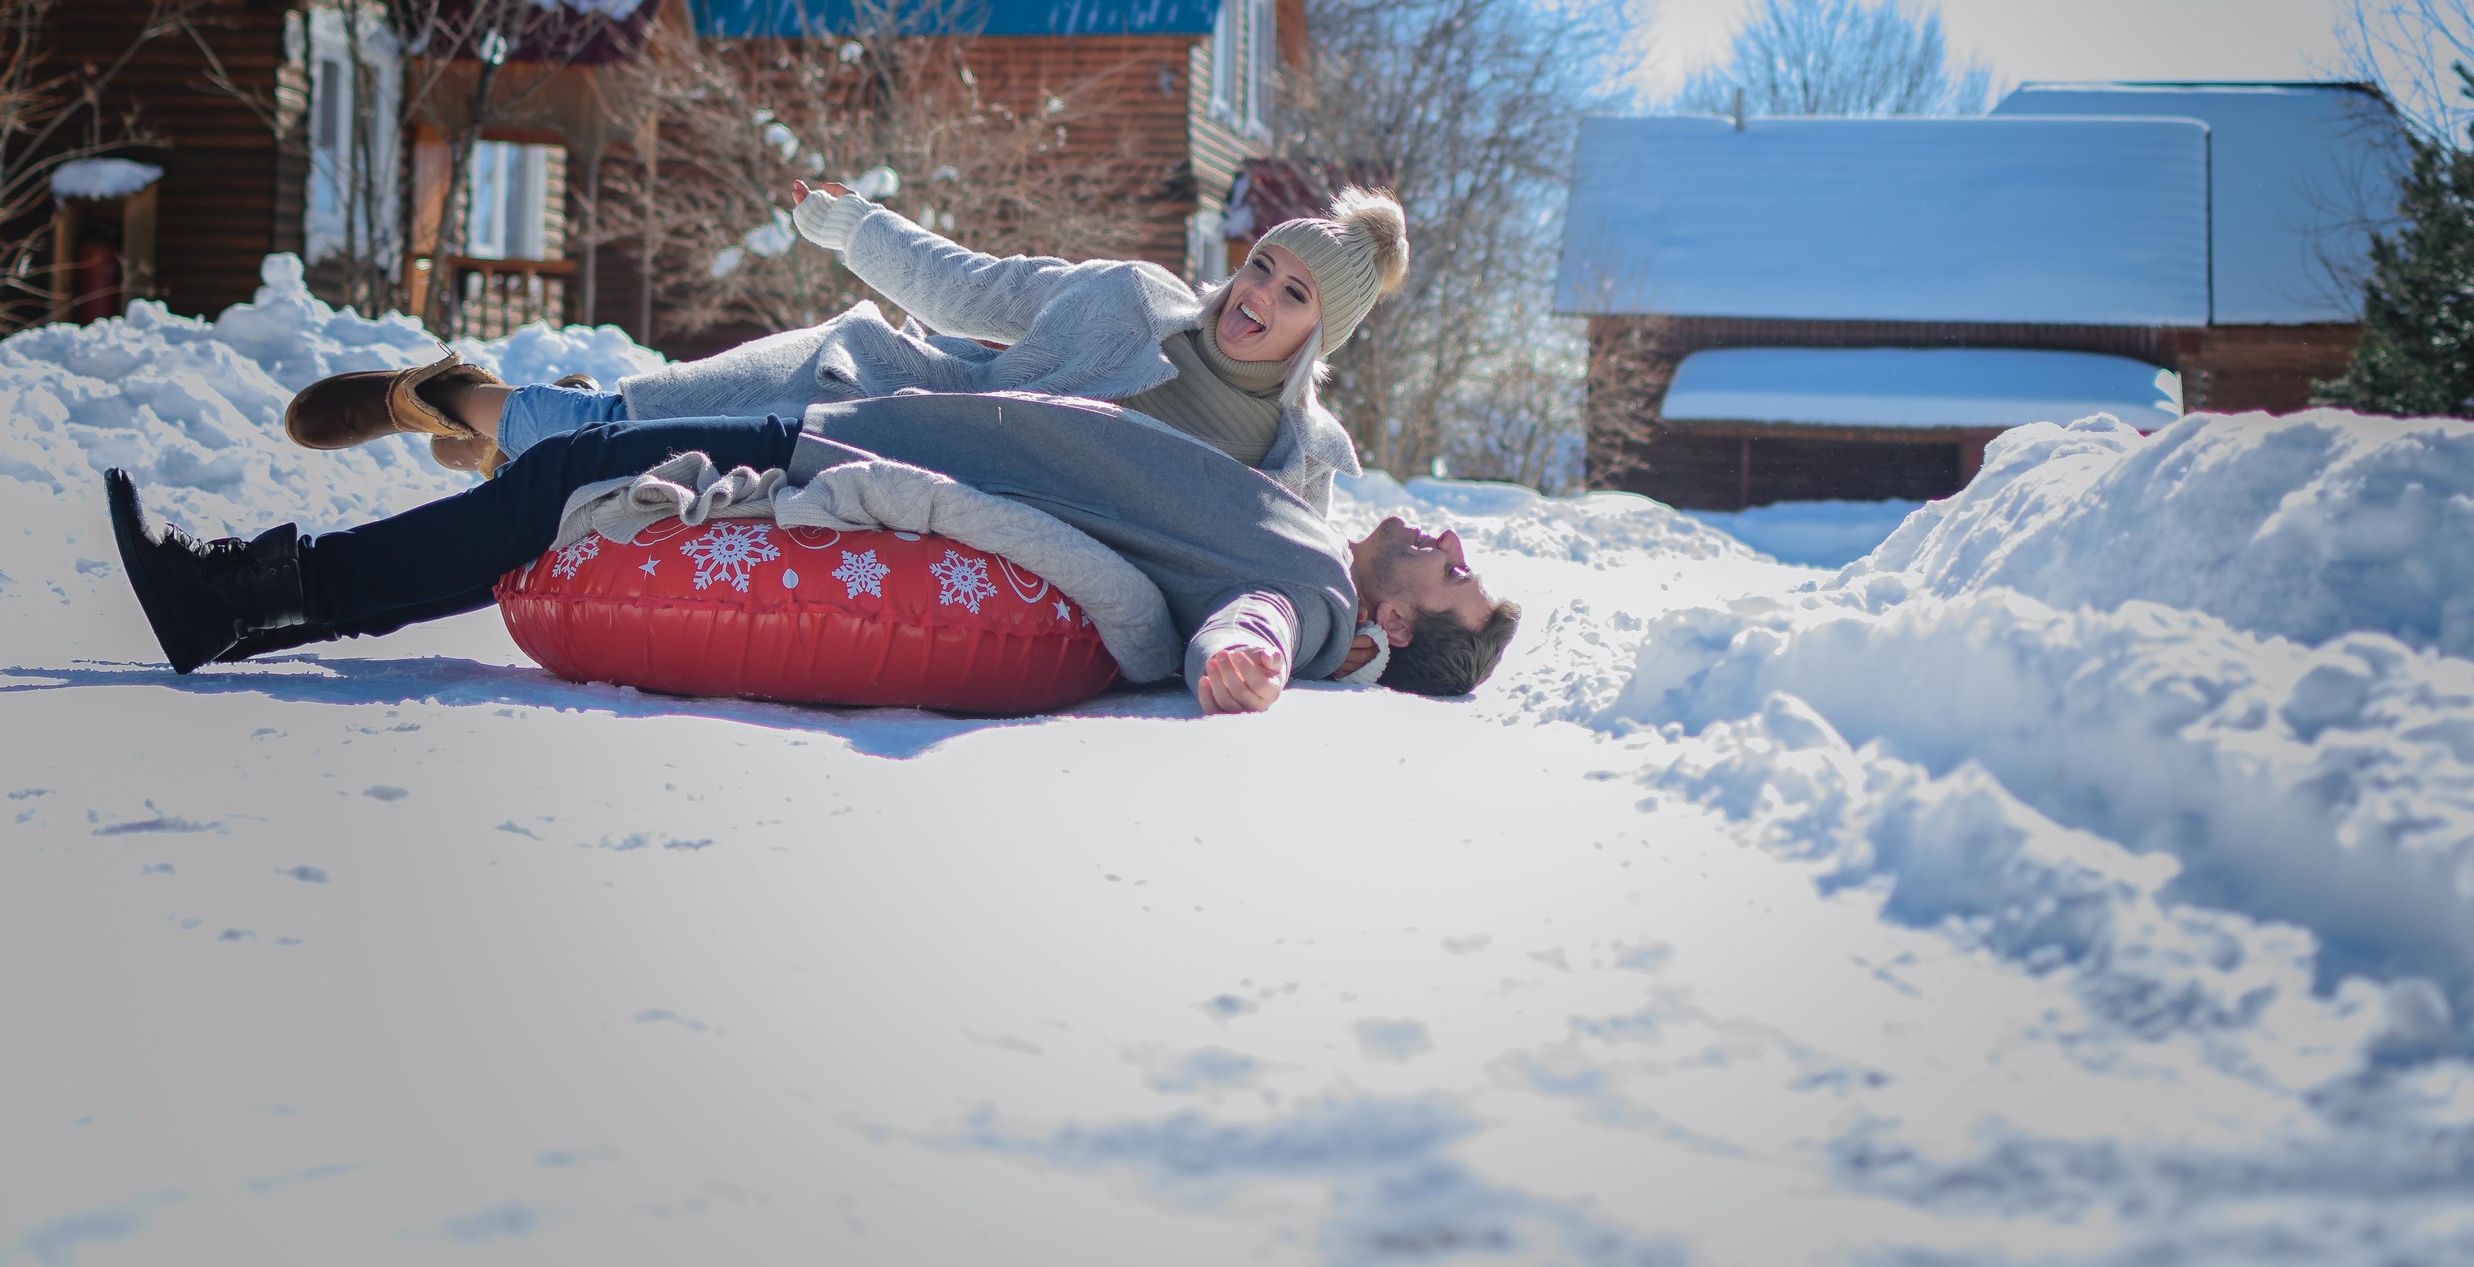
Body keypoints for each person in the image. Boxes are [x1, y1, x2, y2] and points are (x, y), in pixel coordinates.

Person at [109, 390, 1522, 716]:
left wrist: (1243, 663)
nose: (1449, 539)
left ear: (1397, 629)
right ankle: (258, 599)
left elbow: (1250, 626)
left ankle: (250, 594)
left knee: (552, 486)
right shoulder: (1317, 525)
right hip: (871, 424)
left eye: (1455, 571)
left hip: (852, 456)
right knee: (553, 479)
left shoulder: (1314, 596)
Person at [283, 180, 1409, 516]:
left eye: (1292, 293)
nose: (1256, 294)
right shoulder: (1128, 298)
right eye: (1262, 263)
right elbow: (968, 286)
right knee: (621, 431)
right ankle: (450, 395)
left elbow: (1298, 571)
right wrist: (853, 226)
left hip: (945, 499)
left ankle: (504, 433)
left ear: (1318, 333)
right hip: (873, 394)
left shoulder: (1297, 457)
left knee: (636, 462)